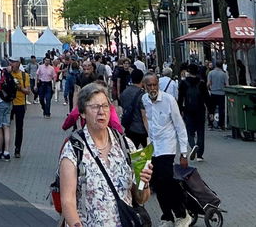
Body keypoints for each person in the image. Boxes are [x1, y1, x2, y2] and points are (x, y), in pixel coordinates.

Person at [58, 83, 154, 227]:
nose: (101, 111)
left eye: (105, 106)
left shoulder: (126, 145)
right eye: (95, 107)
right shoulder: (73, 149)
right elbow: (67, 201)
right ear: (83, 113)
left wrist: (144, 182)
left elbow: (141, 199)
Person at [139, 71, 192, 227]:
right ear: (144, 86)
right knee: (157, 184)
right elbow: (147, 121)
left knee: (166, 180)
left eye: (155, 85)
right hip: (153, 148)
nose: (152, 88)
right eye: (149, 85)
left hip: (167, 147)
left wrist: (184, 153)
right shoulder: (145, 100)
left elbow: (180, 126)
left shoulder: (169, 100)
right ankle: (167, 217)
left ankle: (182, 214)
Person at [177, 64, 207, 160]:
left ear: (188, 72)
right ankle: (200, 155)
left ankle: (193, 145)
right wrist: (210, 111)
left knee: (189, 131)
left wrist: (179, 110)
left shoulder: (183, 83)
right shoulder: (201, 83)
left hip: (188, 110)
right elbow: (206, 97)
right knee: (200, 131)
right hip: (200, 110)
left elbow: (180, 98)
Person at [9, 58, 30, 159]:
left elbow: (28, 91)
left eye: (13, 62)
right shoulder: (8, 74)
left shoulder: (24, 76)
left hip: (20, 104)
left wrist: (20, 88)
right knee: (5, 126)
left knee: (19, 127)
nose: (11, 64)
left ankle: (17, 149)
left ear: (18, 63)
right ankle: (4, 149)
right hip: (8, 104)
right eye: (10, 62)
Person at [206, 62, 227, 129]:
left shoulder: (211, 73)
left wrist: (207, 89)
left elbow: (208, 83)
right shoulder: (224, 74)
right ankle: (221, 125)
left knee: (211, 109)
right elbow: (226, 84)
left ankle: (210, 124)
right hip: (221, 93)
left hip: (213, 93)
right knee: (221, 110)